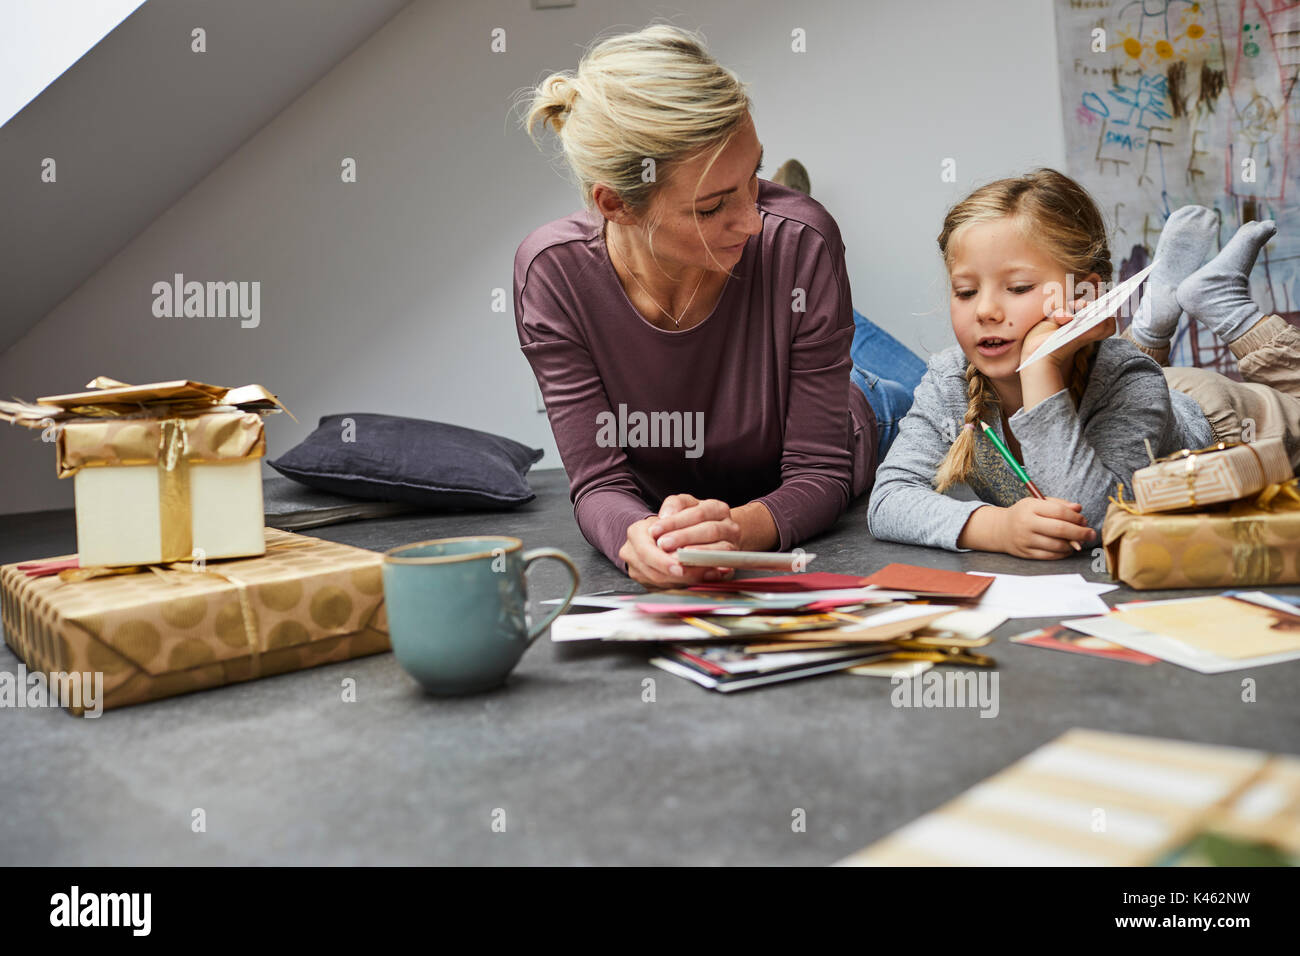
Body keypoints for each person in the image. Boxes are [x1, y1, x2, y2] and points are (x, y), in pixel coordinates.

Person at [513, 25, 917, 587]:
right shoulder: (552, 274)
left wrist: (736, 530)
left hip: (866, 416)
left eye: (751, 177)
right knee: (792, 267)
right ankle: (810, 310)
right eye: (712, 206)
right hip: (772, 332)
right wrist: (640, 541)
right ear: (615, 204)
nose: (751, 223)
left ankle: (812, 304)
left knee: (959, 398)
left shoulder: (800, 238)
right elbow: (599, 485)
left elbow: (819, 471)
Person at [867, 167, 1300, 559]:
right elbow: (888, 499)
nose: (985, 311)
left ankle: (1226, 306)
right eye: (965, 292)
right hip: (1137, 390)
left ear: (1083, 296)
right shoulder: (950, 379)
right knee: (1127, 369)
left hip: (1226, 420)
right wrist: (992, 527)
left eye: (1017, 288)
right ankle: (1152, 321)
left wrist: (1039, 370)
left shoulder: (1127, 378)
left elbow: (1099, 521)